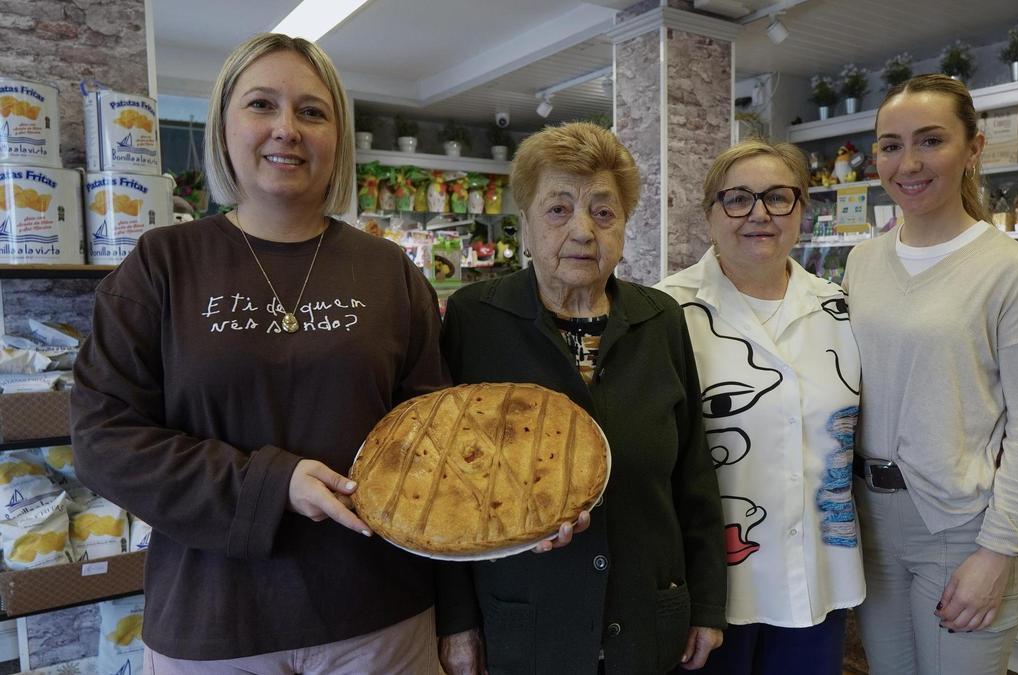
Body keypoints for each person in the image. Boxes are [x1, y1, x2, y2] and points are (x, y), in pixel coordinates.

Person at [70, 33, 450, 673]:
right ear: (223, 127)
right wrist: (273, 485)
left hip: (379, 618)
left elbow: (434, 433)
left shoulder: (389, 273)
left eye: (311, 111)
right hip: (215, 621)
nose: (286, 129)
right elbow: (104, 439)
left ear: (339, 138)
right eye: (261, 105)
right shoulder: (163, 266)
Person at [435, 122, 727, 675]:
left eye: (603, 211)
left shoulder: (660, 318)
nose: (582, 230)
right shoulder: (475, 318)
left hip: (645, 620)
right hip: (526, 624)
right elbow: (448, 490)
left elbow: (694, 472)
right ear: (524, 224)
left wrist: (707, 603)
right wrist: (455, 622)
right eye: (558, 209)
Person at [842, 74, 1018, 674]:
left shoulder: (1014, 270)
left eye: (930, 140)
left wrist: (999, 550)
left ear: (973, 149)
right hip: (869, 521)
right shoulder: (863, 261)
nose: (907, 162)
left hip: (961, 528)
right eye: (889, 145)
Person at [656, 140, 864, 675]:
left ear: (802, 211)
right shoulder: (664, 311)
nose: (759, 214)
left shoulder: (840, 308)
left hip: (816, 575)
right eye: (738, 199)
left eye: (777, 198)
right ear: (709, 213)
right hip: (714, 588)